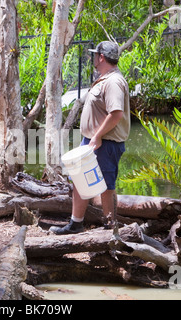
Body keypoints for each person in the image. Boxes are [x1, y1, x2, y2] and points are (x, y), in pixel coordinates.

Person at [50, 41, 130, 235]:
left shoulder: (113, 82)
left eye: (95, 55)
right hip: (93, 142)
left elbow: (116, 113)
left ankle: (110, 229)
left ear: (101, 57)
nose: (93, 58)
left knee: (106, 186)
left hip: (105, 143)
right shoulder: (104, 78)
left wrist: (97, 136)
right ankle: (76, 223)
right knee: (79, 180)